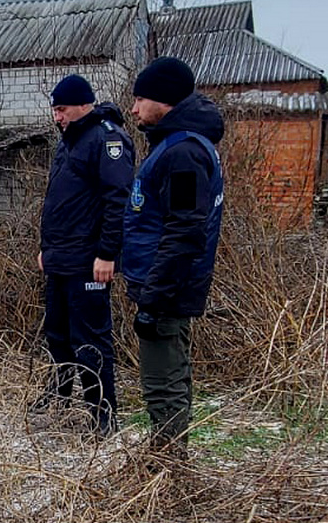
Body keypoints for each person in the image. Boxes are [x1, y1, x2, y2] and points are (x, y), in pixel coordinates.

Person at [122, 56, 225, 454]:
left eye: (140, 99)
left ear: (163, 100)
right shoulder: (176, 146)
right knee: (170, 371)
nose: (134, 108)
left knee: (163, 378)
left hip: (167, 287)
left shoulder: (183, 154)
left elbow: (185, 230)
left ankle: (168, 465)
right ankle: (171, 453)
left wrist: (154, 297)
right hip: (165, 283)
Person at [32, 74, 135, 437]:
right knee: (58, 335)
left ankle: (102, 415)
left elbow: (117, 200)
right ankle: (60, 400)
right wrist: (47, 249)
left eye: (62, 109)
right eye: (54, 110)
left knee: (91, 341)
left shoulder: (107, 139)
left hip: (90, 262)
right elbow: (59, 203)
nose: (57, 117)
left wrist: (107, 254)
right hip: (61, 259)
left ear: (82, 104)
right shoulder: (68, 142)